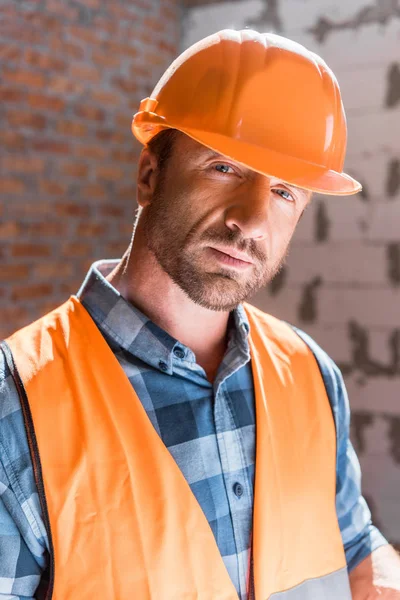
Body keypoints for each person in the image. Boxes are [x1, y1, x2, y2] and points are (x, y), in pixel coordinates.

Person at [0, 29, 399, 600]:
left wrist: (382, 571)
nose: (252, 218)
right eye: (225, 168)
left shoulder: (310, 373)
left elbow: (354, 541)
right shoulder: (16, 408)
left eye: (285, 192)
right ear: (149, 176)